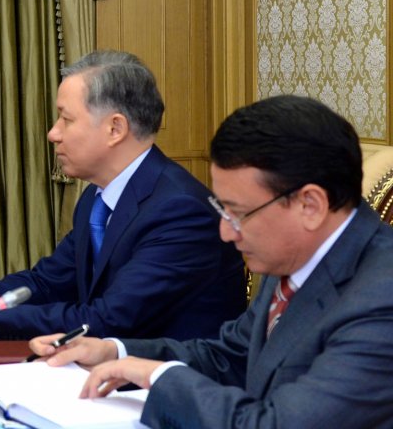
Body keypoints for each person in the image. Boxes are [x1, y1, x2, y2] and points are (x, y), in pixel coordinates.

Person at [30, 95, 393, 428]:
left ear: (310, 206)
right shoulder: (293, 252)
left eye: (238, 213)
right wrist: (115, 352)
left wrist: (158, 377)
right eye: (222, 210)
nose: (225, 232)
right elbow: (232, 355)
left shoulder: (382, 299)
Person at [0, 50, 246, 340]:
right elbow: (49, 281)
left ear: (115, 129)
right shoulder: (97, 198)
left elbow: (109, 318)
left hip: (164, 377)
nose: (53, 133)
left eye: (66, 120)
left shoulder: (180, 211)